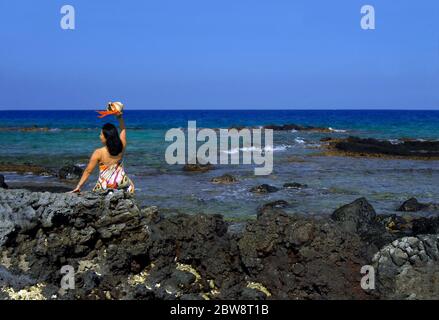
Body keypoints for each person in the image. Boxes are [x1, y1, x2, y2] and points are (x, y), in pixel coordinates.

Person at [71, 104, 134, 193]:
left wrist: (79, 186)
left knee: (97, 191)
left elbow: (88, 171)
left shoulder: (98, 152)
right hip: (121, 182)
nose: (99, 136)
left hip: (106, 185)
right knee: (128, 182)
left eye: (101, 134)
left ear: (106, 137)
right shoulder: (122, 145)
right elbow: (123, 129)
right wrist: (119, 117)